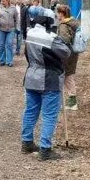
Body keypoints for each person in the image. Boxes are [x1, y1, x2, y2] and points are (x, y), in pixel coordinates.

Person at [21, 15, 72, 161]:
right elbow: (66, 53)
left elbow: (26, 54)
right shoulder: (51, 38)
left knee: (30, 111)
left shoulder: (29, 34)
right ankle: (45, 149)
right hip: (49, 79)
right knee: (49, 115)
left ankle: (27, 142)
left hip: (31, 76)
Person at [56, 4, 81, 110]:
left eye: (57, 13)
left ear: (61, 14)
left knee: (67, 76)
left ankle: (72, 102)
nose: (56, 15)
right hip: (73, 53)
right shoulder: (73, 22)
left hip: (66, 54)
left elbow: (64, 40)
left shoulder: (63, 25)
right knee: (68, 76)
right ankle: (70, 100)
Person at [0, 0, 20, 67]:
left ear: (8, 1)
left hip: (11, 29)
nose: (2, 2)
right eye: (1, 1)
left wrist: (17, 28)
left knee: (9, 44)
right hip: (0, 28)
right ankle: (2, 60)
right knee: (1, 45)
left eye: (3, 1)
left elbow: (17, 19)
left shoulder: (13, 8)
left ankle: (9, 61)